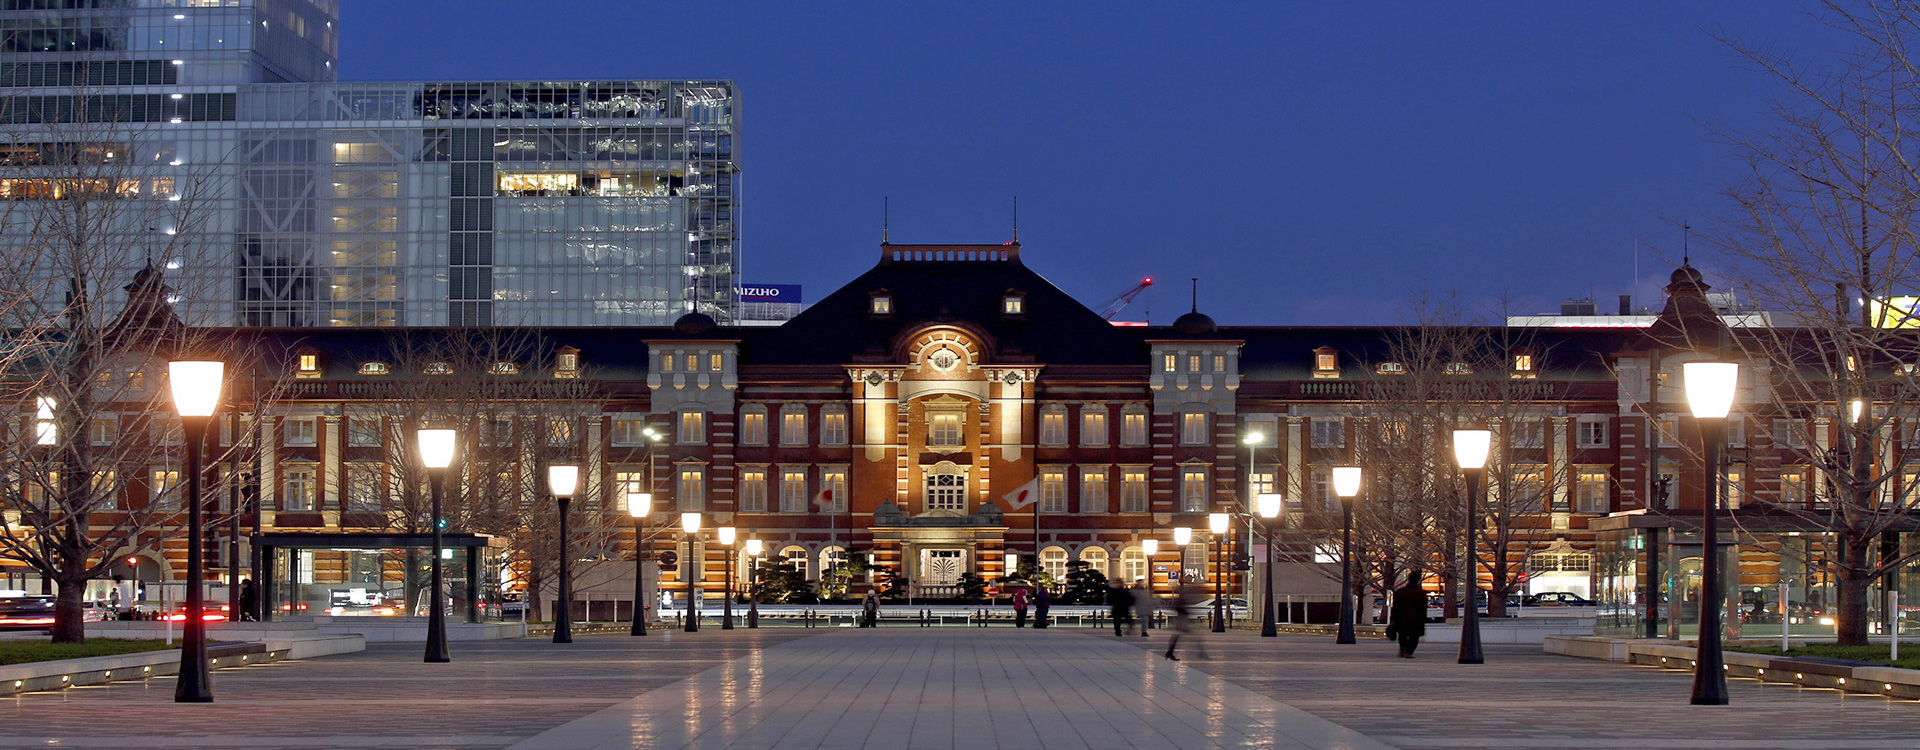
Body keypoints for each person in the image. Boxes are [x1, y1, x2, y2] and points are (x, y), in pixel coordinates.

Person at [1164, 578, 1205, 661]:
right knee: (1194, 636)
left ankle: (1169, 652)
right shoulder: (1183, 590)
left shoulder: (1181, 590)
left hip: (1181, 616)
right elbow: (1182, 603)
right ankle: (1202, 653)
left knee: (1177, 635)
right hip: (1182, 617)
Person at [1388, 573, 1428, 658]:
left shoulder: (1400, 592)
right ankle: (1409, 652)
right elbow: (1423, 608)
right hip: (1416, 619)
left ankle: (1403, 650)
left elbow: (1395, 607)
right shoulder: (1421, 593)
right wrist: (1423, 619)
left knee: (1402, 635)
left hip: (1401, 618)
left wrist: (1392, 619)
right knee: (1414, 637)